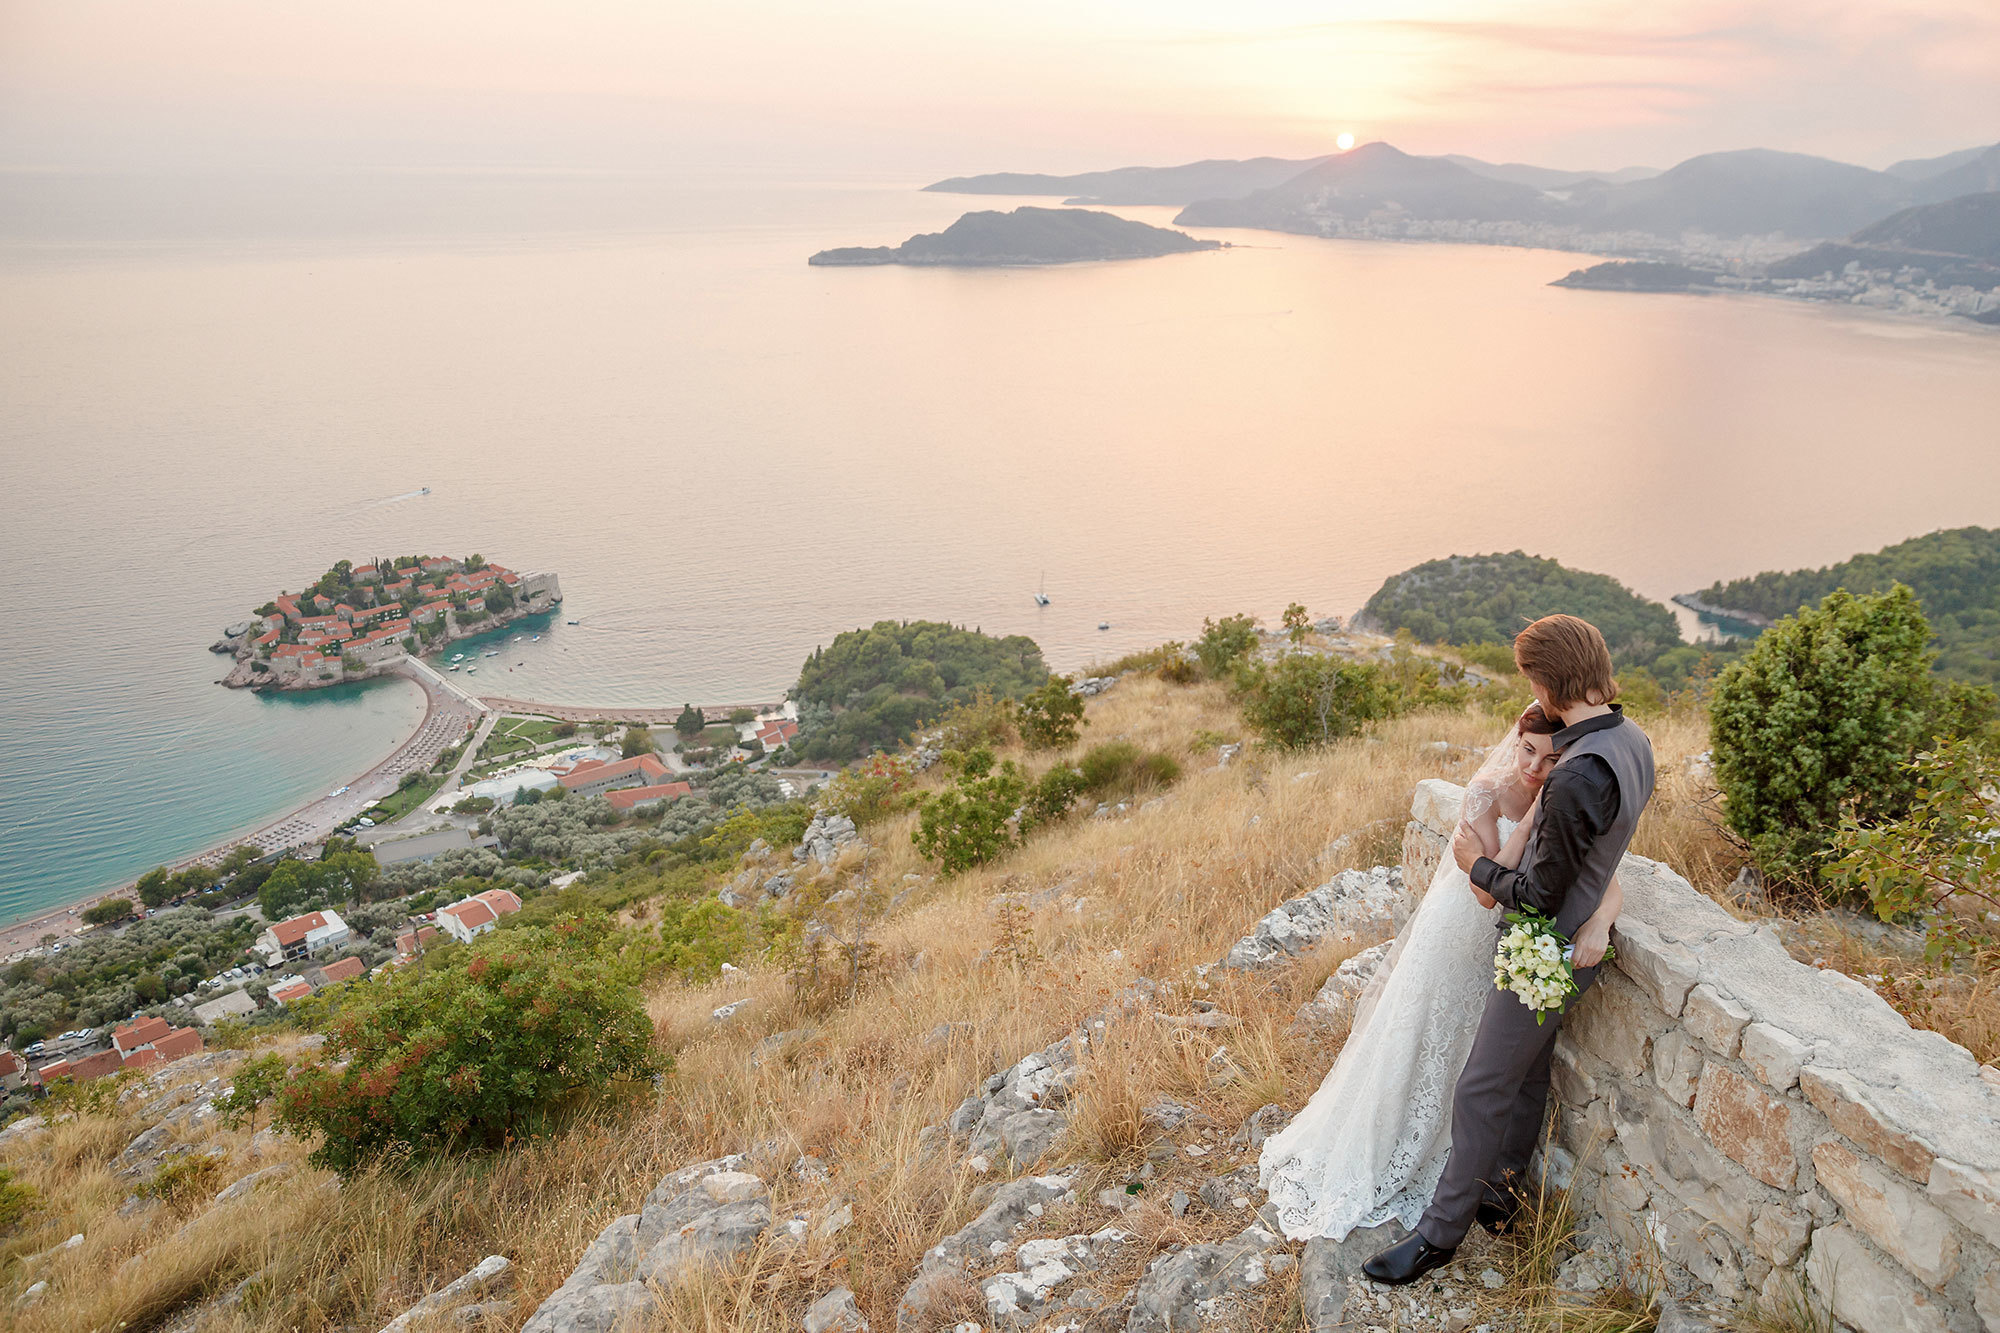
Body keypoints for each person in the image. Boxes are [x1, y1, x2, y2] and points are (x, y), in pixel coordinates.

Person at [1258, 699, 1622, 1240]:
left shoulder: (1570, 794)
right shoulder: (1485, 793)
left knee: (1478, 1051)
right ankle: (1398, 1148)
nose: (1532, 768)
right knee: (1427, 1032)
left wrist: (1603, 921)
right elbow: (1482, 892)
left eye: (1548, 759)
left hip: (1508, 938)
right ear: (1515, 742)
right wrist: (1524, 827)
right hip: (1460, 932)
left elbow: (1607, 872)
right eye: (1526, 750)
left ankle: (1473, 1169)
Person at [1363, 614, 1656, 1285]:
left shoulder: (1579, 772)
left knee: (1481, 1085)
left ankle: (1439, 1235)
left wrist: (1474, 863)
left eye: (1532, 679)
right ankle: (1500, 1193)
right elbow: (1602, 852)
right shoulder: (1632, 739)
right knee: (1525, 1073)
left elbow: (1536, 895)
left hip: (1545, 948)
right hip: (1575, 943)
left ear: (1549, 680)